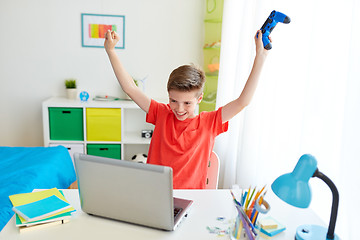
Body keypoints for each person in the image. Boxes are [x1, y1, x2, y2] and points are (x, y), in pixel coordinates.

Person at [104, 29, 269, 189]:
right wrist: (111, 51)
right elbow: (130, 88)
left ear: (199, 99)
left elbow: (243, 101)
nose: (179, 108)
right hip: (155, 192)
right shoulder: (161, 113)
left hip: (192, 199)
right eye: (173, 100)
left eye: (187, 103)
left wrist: (260, 57)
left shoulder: (210, 122)